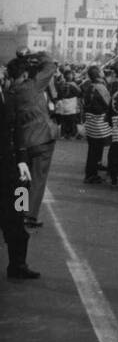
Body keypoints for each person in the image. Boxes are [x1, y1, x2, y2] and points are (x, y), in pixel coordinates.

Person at [11, 52, 59, 227]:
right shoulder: (33, 85)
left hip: (22, 141)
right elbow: (50, 66)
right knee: (39, 178)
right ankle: (29, 215)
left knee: (22, 177)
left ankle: (19, 208)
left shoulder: (10, 93)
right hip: (43, 137)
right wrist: (38, 55)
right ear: (25, 73)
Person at [2, 64, 38, 279]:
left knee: (18, 216)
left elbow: (19, 132)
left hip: (12, 170)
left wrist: (23, 160)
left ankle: (18, 265)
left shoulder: (10, 98)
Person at [81, 65, 112, 184]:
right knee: (96, 148)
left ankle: (95, 168)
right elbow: (108, 103)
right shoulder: (101, 88)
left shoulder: (89, 86)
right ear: (98, 74)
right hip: (99, 122)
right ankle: (91, 174)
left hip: (90, 121)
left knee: (94, 148)